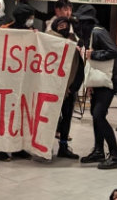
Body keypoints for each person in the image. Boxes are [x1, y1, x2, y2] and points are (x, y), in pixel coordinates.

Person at [75, 5, 117, 169]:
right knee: (95, 113)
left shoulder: (97, 32)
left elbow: (114, 51)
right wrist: (90, 83)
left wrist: (93, 54)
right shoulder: (90, 33)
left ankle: (115, 155)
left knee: (98, 115)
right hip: (101, 80)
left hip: (110, 80)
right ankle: (98, 151)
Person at [0, 3, 35, 162]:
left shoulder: (29, 33)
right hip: (5, 82)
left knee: (21, 115)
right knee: (5, 116)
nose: (32, 20)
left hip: (23, 81)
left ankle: (18, 148)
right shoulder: (5, 30)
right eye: (30, 17)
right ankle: (1, 149)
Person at [47, 16, 84, 159]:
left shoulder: (74, 43)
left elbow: (79, 67)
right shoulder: (49, 41)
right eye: (60, 25)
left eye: (65, 25)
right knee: (50, 119)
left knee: (67, 118)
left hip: (68, 89)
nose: (63, 27)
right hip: (52, 89)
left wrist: (73, 88)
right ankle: (46, 147)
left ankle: (63, 147)